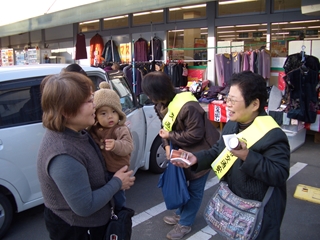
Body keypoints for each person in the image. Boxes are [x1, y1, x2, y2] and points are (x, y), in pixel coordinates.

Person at [173, 71, 290, 240]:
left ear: (255, 104)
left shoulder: (273, 135)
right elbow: (217, 151)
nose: (227, 104)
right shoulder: (232, 124)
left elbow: (279, 174)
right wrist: (195, 158)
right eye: (227, 98)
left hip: (260, 213)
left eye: (233, 100)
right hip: (233, 205)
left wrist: (247, 155)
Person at [37, 72, 135, 240]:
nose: (95, 105)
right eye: (89, 101)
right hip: (78, 229)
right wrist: (117, 182)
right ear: (67, 111)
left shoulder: (77, 131)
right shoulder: (63, 154)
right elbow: (85, 206)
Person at [141, 71, 220, 240]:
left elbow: (196, 134)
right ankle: (181, 214)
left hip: (202, 150)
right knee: (182, 183)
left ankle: (185, 223)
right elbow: (165, 129)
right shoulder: (161, 104)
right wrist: (167, 147)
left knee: (195, 188)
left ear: (157, 93)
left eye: (149, 94)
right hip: (181, 149)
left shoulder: (188, 106)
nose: (148, 97)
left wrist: (170, 138)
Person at [89, 82, 134, 212]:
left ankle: (121, 213)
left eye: (114, 112)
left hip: (117, 170)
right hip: (103, 170)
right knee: (105, 197)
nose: (110, 116)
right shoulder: (94, 129)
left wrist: (116, 145)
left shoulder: (120, 129)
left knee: (118, 198)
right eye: (103, 113)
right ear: (95, 115)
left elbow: (128, 146)